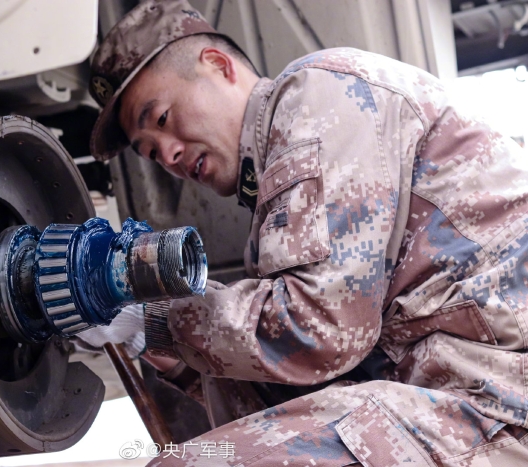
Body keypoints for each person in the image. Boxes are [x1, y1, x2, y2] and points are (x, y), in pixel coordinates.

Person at [79, 1, 528, 465]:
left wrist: (159, 319)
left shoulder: (321, 91)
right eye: (151, 152)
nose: (169, 155)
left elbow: (321, 329)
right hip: (459, 409)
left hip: (499, 407)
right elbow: (302, 388)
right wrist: (165, 349)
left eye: (162, 119)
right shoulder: (271, 219)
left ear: (217, 65)